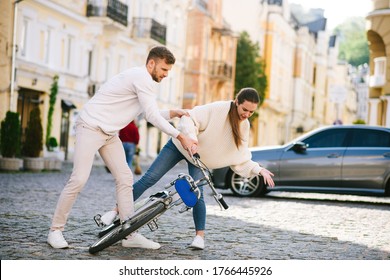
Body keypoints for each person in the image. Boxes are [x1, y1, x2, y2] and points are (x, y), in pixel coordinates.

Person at [47, 46, 198, 250]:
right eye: (164, 69)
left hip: (110, 134)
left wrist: (173, 112)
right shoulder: (141, 78)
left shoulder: (143, 81)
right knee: (79, 178)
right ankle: (55, 231)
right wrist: (180, 136)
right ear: (151, 63)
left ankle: (129, 234)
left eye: (168, 71)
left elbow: (147, 113)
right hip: (90, 126)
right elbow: (152, 116)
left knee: (125, 178)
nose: (165, 74)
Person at [100, 87, 275, 250]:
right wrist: (191, 139)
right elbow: (190, 117)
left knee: (198, 193)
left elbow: (241, 154)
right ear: (237, 101)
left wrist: (258, 169)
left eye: (251, 112)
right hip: (180, 146)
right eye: (245, 109)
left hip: (198, 158)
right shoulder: (218, 108)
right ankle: (116, 211)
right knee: (150, 178)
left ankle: (199, 237)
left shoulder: (244, 126)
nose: (247, 114)